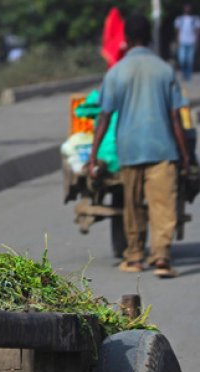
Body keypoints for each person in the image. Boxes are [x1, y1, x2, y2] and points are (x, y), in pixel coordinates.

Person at [88, 14, 191, 278]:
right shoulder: (164, 70)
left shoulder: (116, 72)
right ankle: (161, 259)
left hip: (130, 149)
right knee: (162, 206)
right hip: (163, 149)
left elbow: (104, 117)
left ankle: (134, 257)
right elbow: (175, 117)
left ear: (127, 40)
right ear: (149, 38)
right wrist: (185, 154)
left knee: (132, 205)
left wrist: (93, 155)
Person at [174, 4, 200, 81]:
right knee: (182, 59)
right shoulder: (179, 19)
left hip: (191, 42)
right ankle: (184, 73)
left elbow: (197, 32)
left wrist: (197, 42)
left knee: (189, 60)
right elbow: (177, 32)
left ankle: (188, 76)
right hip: (182, 42)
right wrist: (177, 42)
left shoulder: (195, 19)